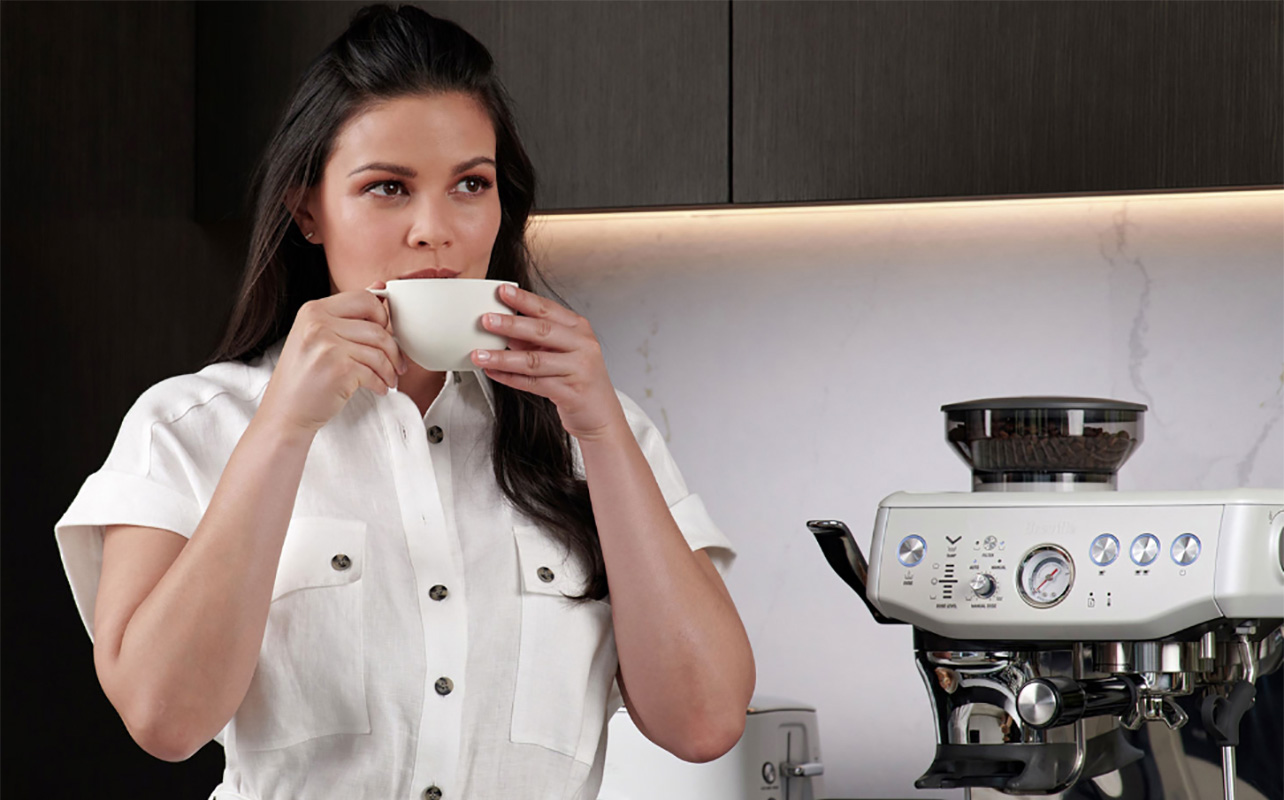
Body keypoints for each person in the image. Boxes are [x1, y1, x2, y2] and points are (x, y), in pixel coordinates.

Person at [53, 5, 755, 799]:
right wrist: (285, 425)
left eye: (470, 184)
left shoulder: (598, 431)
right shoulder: (187, 428)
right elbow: (163, 719)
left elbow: (703, 723)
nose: (436, 230)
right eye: (388, 187)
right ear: (307, 209)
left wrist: (599, 429)